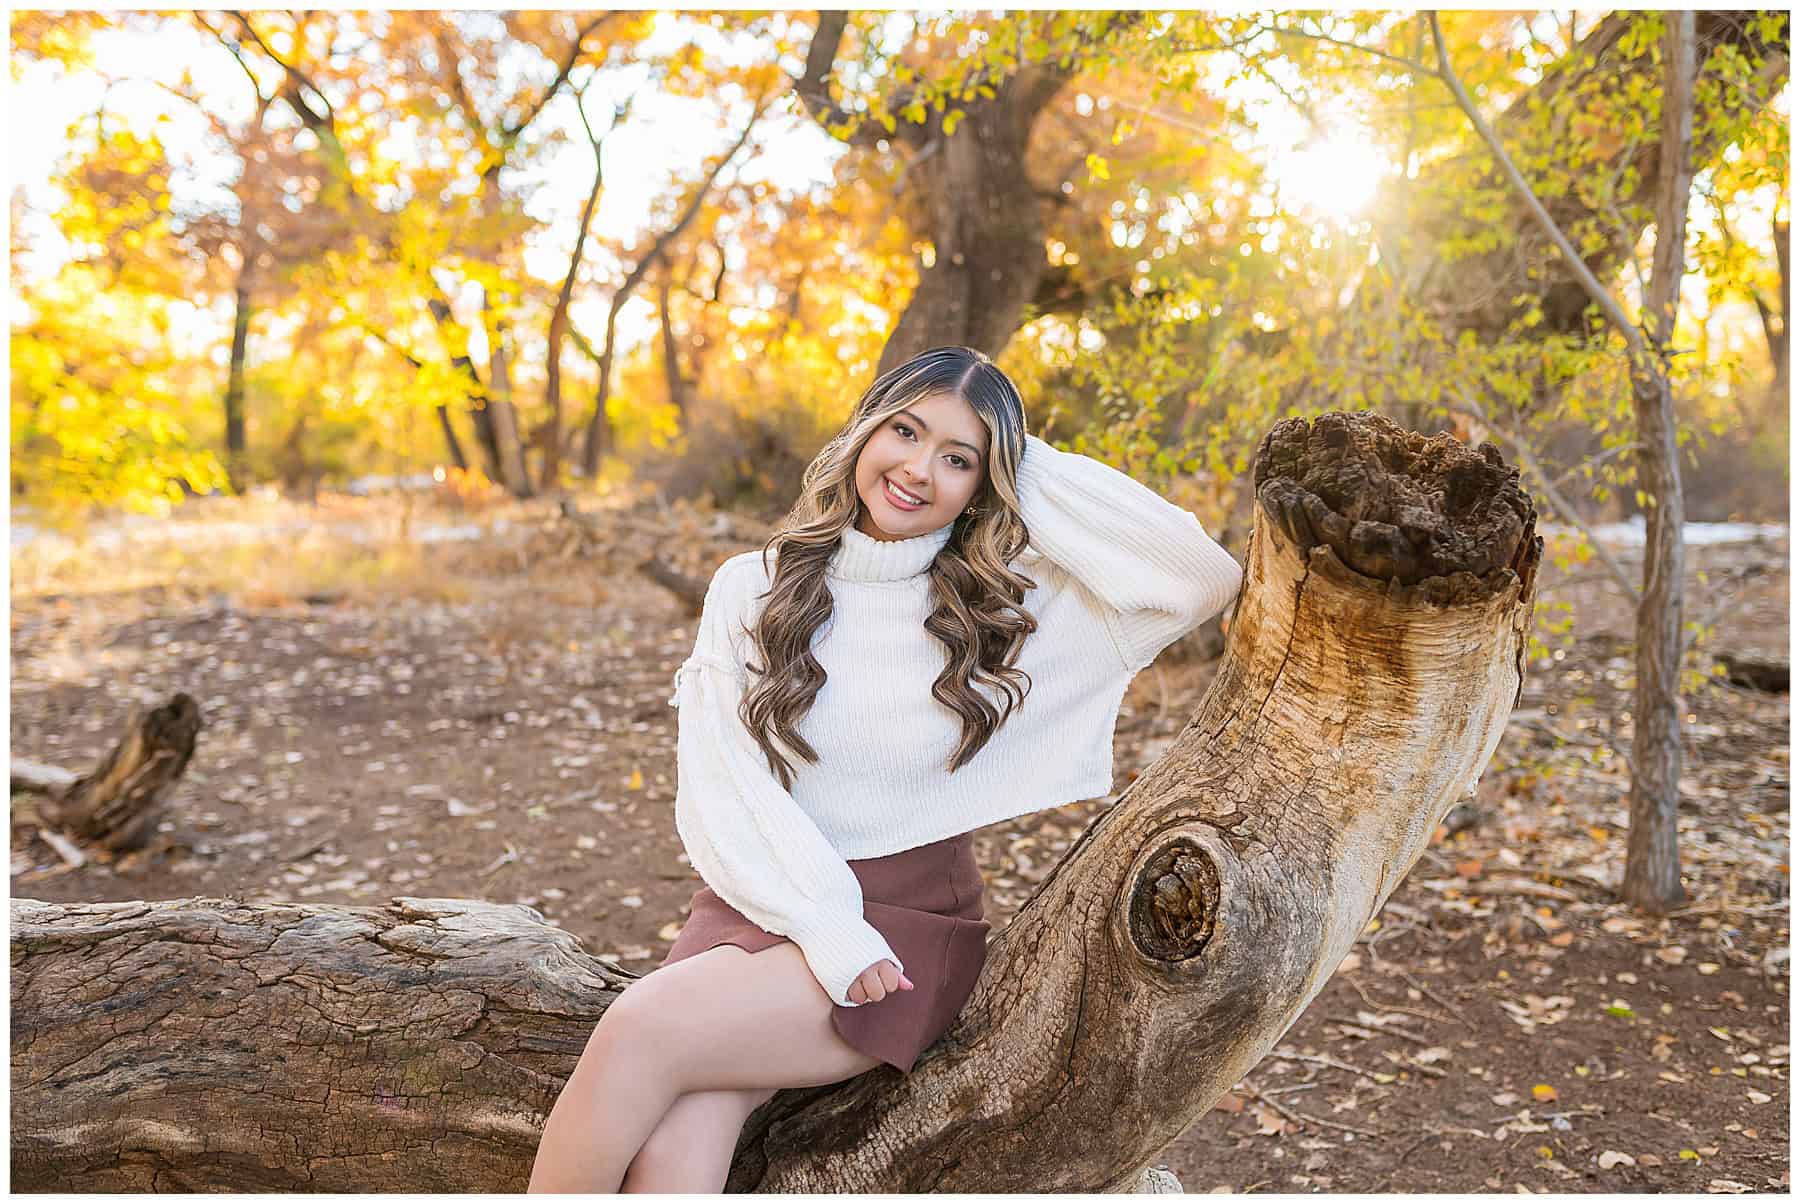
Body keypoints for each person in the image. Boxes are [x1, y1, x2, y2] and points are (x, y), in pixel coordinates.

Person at [527, 346, 1244, 1192]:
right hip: (759, 897)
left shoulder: (1001, 610)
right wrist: (821, 922)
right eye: (904, 430)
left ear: (986, 484)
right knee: (691, 1111)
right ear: (866, 426)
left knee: (642, 1032)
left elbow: (1201, 576)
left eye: (957, 458)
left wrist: (1024, 453)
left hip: (902, 935)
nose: (916, 469)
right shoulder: (749, 589)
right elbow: (722, 785)